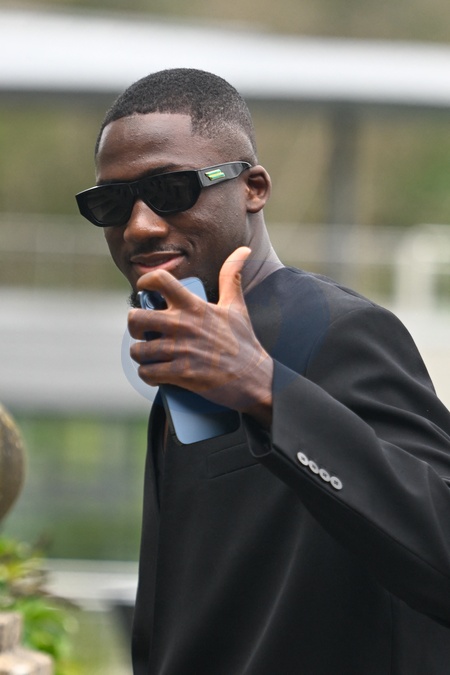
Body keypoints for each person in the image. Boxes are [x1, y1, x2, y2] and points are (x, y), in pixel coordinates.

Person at [76, 68, 450, 674]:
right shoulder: (190, 355)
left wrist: (265, 387)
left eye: (172, 189)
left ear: (253, 187)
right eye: (111, 203)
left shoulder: (336, 329)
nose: (139, 225)